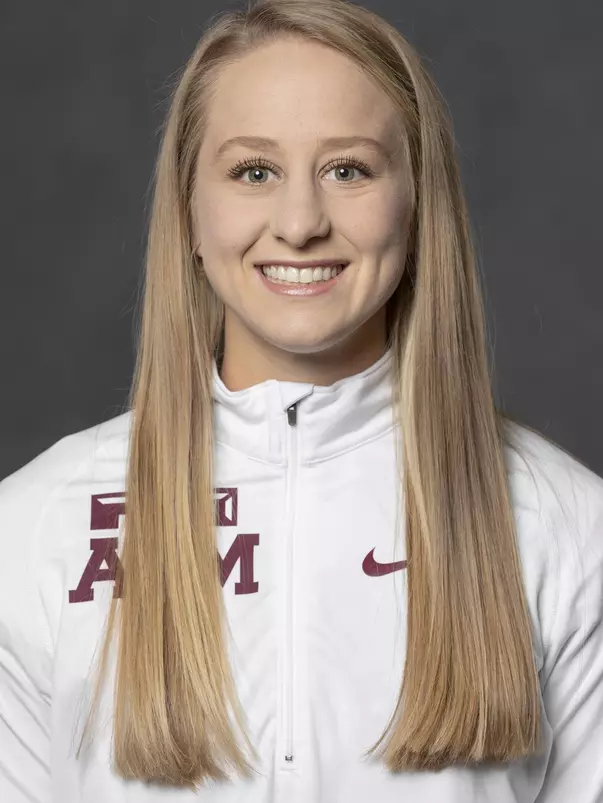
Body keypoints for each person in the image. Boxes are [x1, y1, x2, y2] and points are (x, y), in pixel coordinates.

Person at [1, 0, 602, 800]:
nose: (298, 222)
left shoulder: (567, 525)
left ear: (417, 205)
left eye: (347, 169)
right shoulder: (35, 524)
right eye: (254, 171)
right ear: (189, 208)